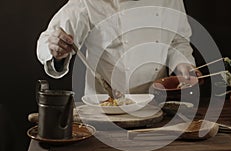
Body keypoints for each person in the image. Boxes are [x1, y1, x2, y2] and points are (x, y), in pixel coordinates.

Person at [36, 0, 202, 96]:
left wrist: (183, 64)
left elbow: (176, 40)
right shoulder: (89, 2)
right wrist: (56, 49)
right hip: (104, 107)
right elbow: (47, 39)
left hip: (157, 104)